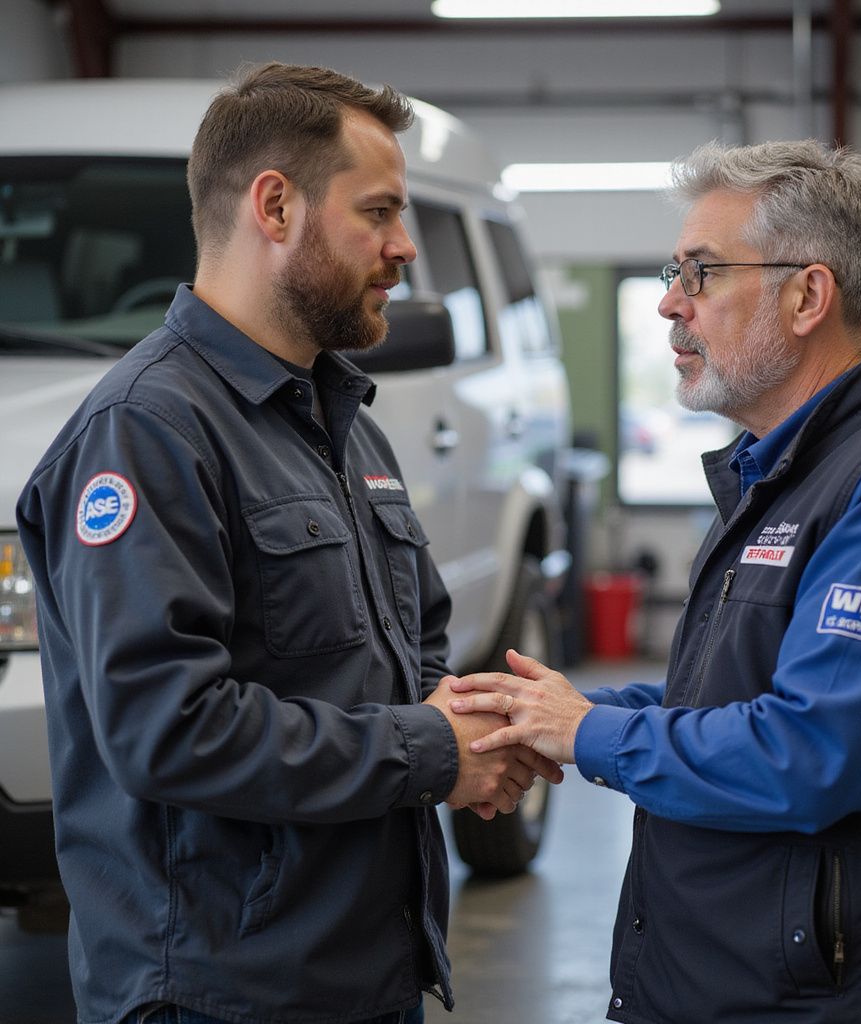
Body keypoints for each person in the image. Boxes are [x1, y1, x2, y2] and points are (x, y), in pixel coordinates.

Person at [16, 62, 561, 1024]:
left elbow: (411, 640)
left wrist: (470, 725)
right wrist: (432, 751)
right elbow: (167, 729)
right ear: (275, 206)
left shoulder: (345, 420)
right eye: (380, 213)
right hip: (219, 991)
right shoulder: (147, 431)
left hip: (352, 968)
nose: (404, 249)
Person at [447, 139, 861, 1022]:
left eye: (701, 272)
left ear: (807, 296)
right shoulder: (783, 472)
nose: (671, 304)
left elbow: (812, 754)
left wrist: (593, 735)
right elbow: (737, 691)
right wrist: (566, 714)